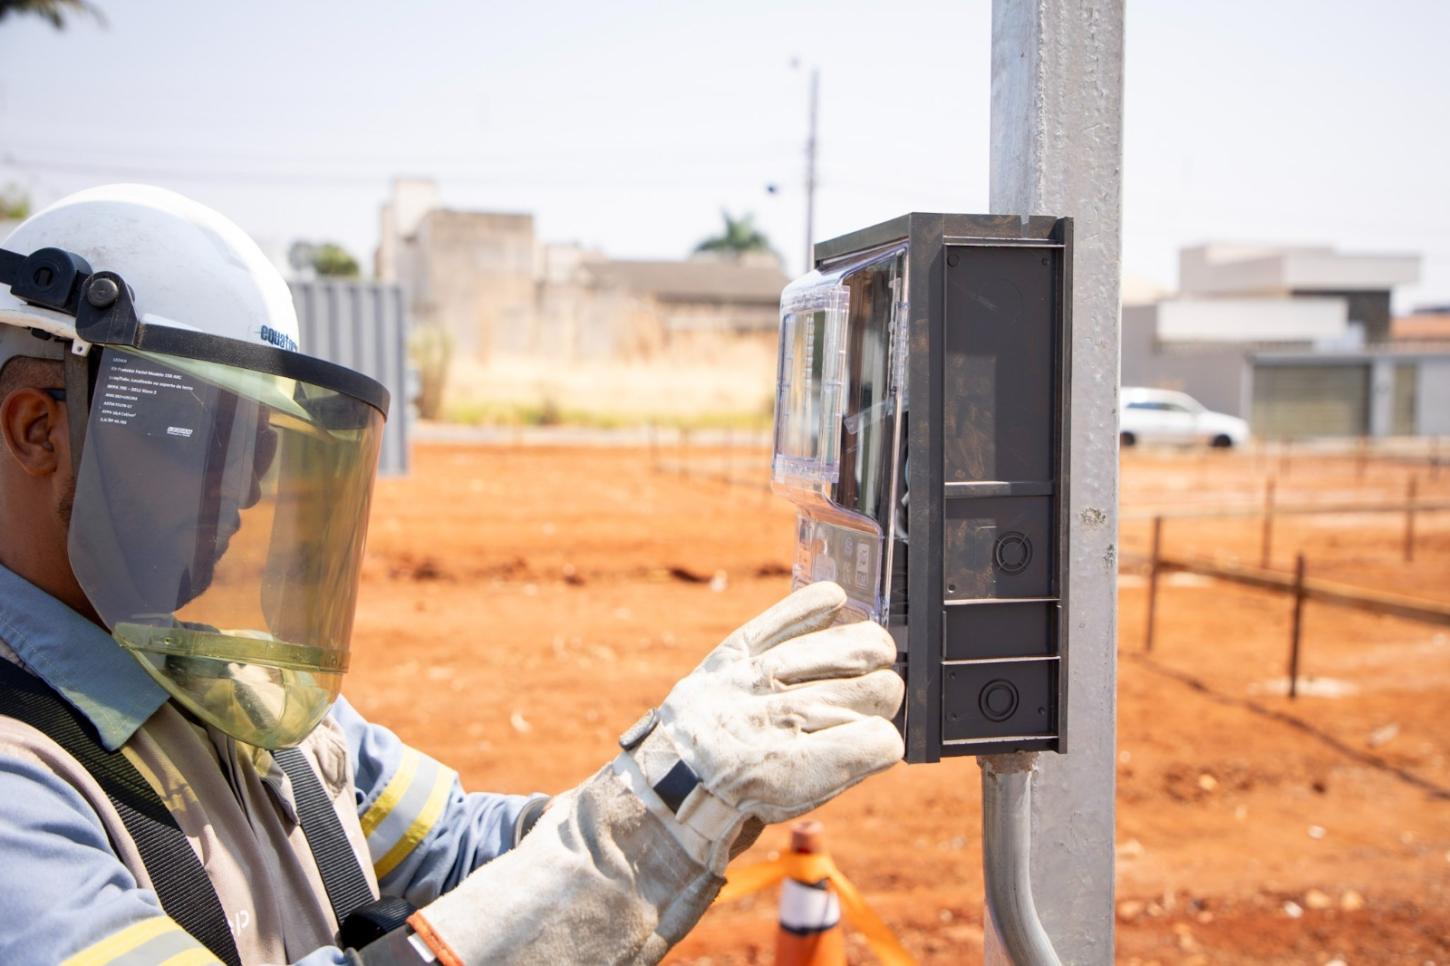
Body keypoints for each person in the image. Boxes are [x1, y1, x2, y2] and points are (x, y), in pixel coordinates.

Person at [0, 184, 905, 965]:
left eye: (262, 445)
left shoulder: (229, 682)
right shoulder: (19, 783)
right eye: (202, 436)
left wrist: (680, 784)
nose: (248, 494)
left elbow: (467, 850)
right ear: (38, 427)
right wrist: (645, 829)